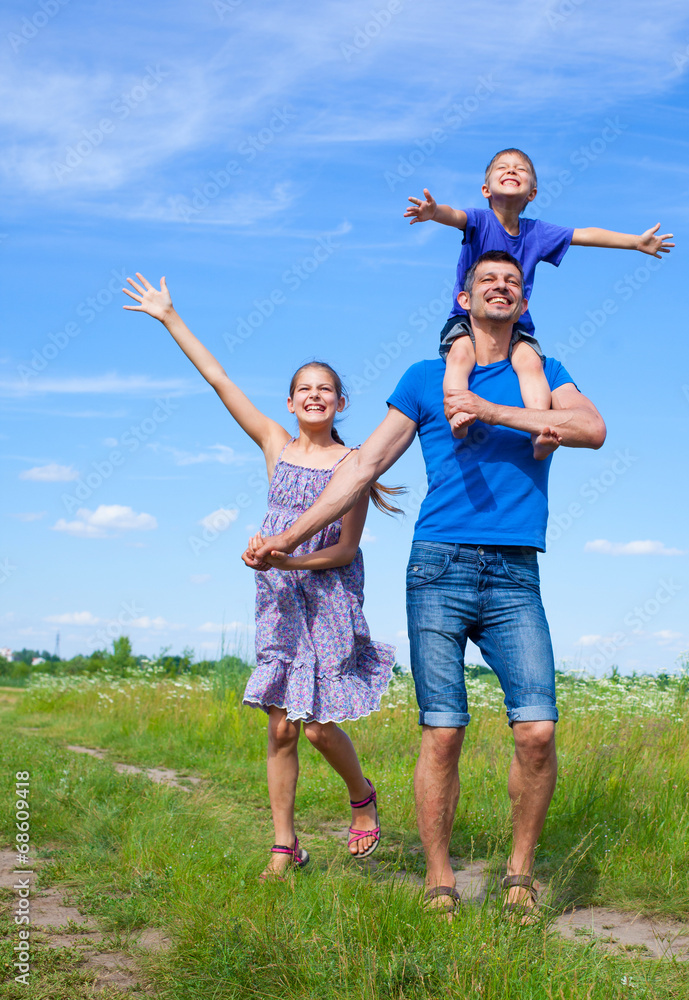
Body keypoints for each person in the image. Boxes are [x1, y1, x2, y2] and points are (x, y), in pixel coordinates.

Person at [244, 251, 607, 916]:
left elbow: (591, 429)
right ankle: (440, 879)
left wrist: (492, 412)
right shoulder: (423, 378)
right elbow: (363, 466)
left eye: (513, 283)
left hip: (515, 573)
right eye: (487, 281)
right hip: (437, 567)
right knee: (444, 731)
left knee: (538, 732)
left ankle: (519, 874)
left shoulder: (546, 375)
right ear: (464, 301)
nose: (500, 288)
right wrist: (289, 539)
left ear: (523, 306)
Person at [123, 273, 399, 877]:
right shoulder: (275, 444)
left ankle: (362, 796)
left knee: (323, 728)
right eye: (304, 389)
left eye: (326, 389)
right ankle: (285, 845)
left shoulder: (355, 465)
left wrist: (289, 557)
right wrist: (170, 318)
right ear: (291, 402)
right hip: (278, 599)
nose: (315, 396)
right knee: (280, 728)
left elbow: (346, 552)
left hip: (327, 597)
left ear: (341, 403)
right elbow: (220, 380)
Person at [404, 147, 671, 456]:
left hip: (515, 324)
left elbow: (585, 234)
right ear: (485, 190)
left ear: (532, 192)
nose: (512, 170)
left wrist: (636, 242)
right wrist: (433, 213)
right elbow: (454, 216)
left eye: (521, 169)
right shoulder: (479, 221)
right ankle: (457, 410)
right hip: (467, 319)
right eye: (502, 167)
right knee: (460, 353)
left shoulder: (537, 232)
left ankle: (540, 433)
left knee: (530, 364)